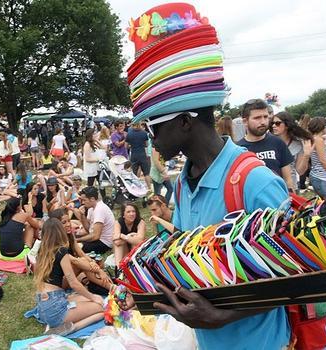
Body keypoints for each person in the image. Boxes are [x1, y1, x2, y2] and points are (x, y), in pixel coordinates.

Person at [122, 5, 290, 347]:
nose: (151, 137)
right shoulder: (183, 182)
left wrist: (223, 317)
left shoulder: (254, 181)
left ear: (185, 122)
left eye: (154, 127)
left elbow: (301, 279)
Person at [33, 218, 104, 335]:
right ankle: (70, 328)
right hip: (56, 309)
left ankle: (59, 324)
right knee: (100, 308)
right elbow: (73, 283)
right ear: (60, 232)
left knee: (85, 299)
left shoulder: (42, 251)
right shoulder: (61, 251)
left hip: (44, 307)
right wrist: (93, 297)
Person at [237, 99, 295, 191]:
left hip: (278, 200)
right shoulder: (238, 149)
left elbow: (288, 179)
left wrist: (291, 199)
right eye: (257, 118)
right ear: (245, 121)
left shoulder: (278, 143)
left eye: (265, 117)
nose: (263, 122)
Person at [270, 112, 314, 193]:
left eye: (277, 123)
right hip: (272, 187)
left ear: (287, 125)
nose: (273, 126)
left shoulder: (297, 144)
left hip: (291, 188)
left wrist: (306, 155)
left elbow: (300, 171)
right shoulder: (268, 141)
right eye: (272, 123)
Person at [72, 186, 114, 254]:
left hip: (104, 243)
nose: (82, 203)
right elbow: (88, 229)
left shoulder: (100, 209)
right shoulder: (91, 208)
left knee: (76, 248)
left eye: (84, 200)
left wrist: (77, 240)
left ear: (92, 199)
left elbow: (95, 236)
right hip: (97, 238)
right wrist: (82, 215)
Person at [125, 123, 152, 189]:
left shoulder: (129, 134)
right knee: (146, 173)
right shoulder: (144, 133)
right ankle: (150, 188)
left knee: (134, 173)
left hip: (134, 154)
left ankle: (135, 188)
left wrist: (131, 146)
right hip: (142, 154)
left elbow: (126, 146)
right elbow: (147, 144)